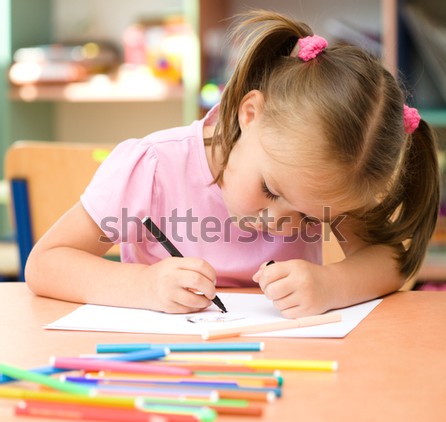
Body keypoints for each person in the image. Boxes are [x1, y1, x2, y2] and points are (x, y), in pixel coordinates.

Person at [25, 10, 440, 318]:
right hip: (160, 372)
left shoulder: (323, 170)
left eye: (309, 218)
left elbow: (389, 263)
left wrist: (331, 284)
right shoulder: (152, 166)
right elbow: (46, 264)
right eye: (272, 192)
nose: (280, 221)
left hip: (286, 372)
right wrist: (144, 286)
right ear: (250, 114)